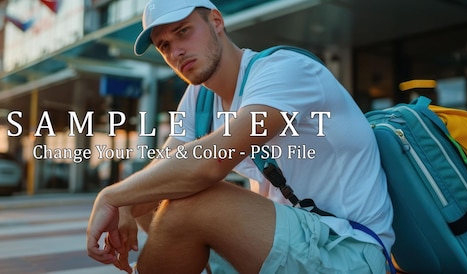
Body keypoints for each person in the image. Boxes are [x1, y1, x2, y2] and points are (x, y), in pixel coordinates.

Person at [86, 0, 395, 273]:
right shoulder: (198, 98)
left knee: (194, 203)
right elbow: (166, 166)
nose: (176, 50)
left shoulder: (284, 70)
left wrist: (112, 197)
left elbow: (210, 163)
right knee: (162, 197)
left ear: (216, 22)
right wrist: (126, 206)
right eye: (164, 45)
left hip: (349, 250)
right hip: (291, 242)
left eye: (183, 31)